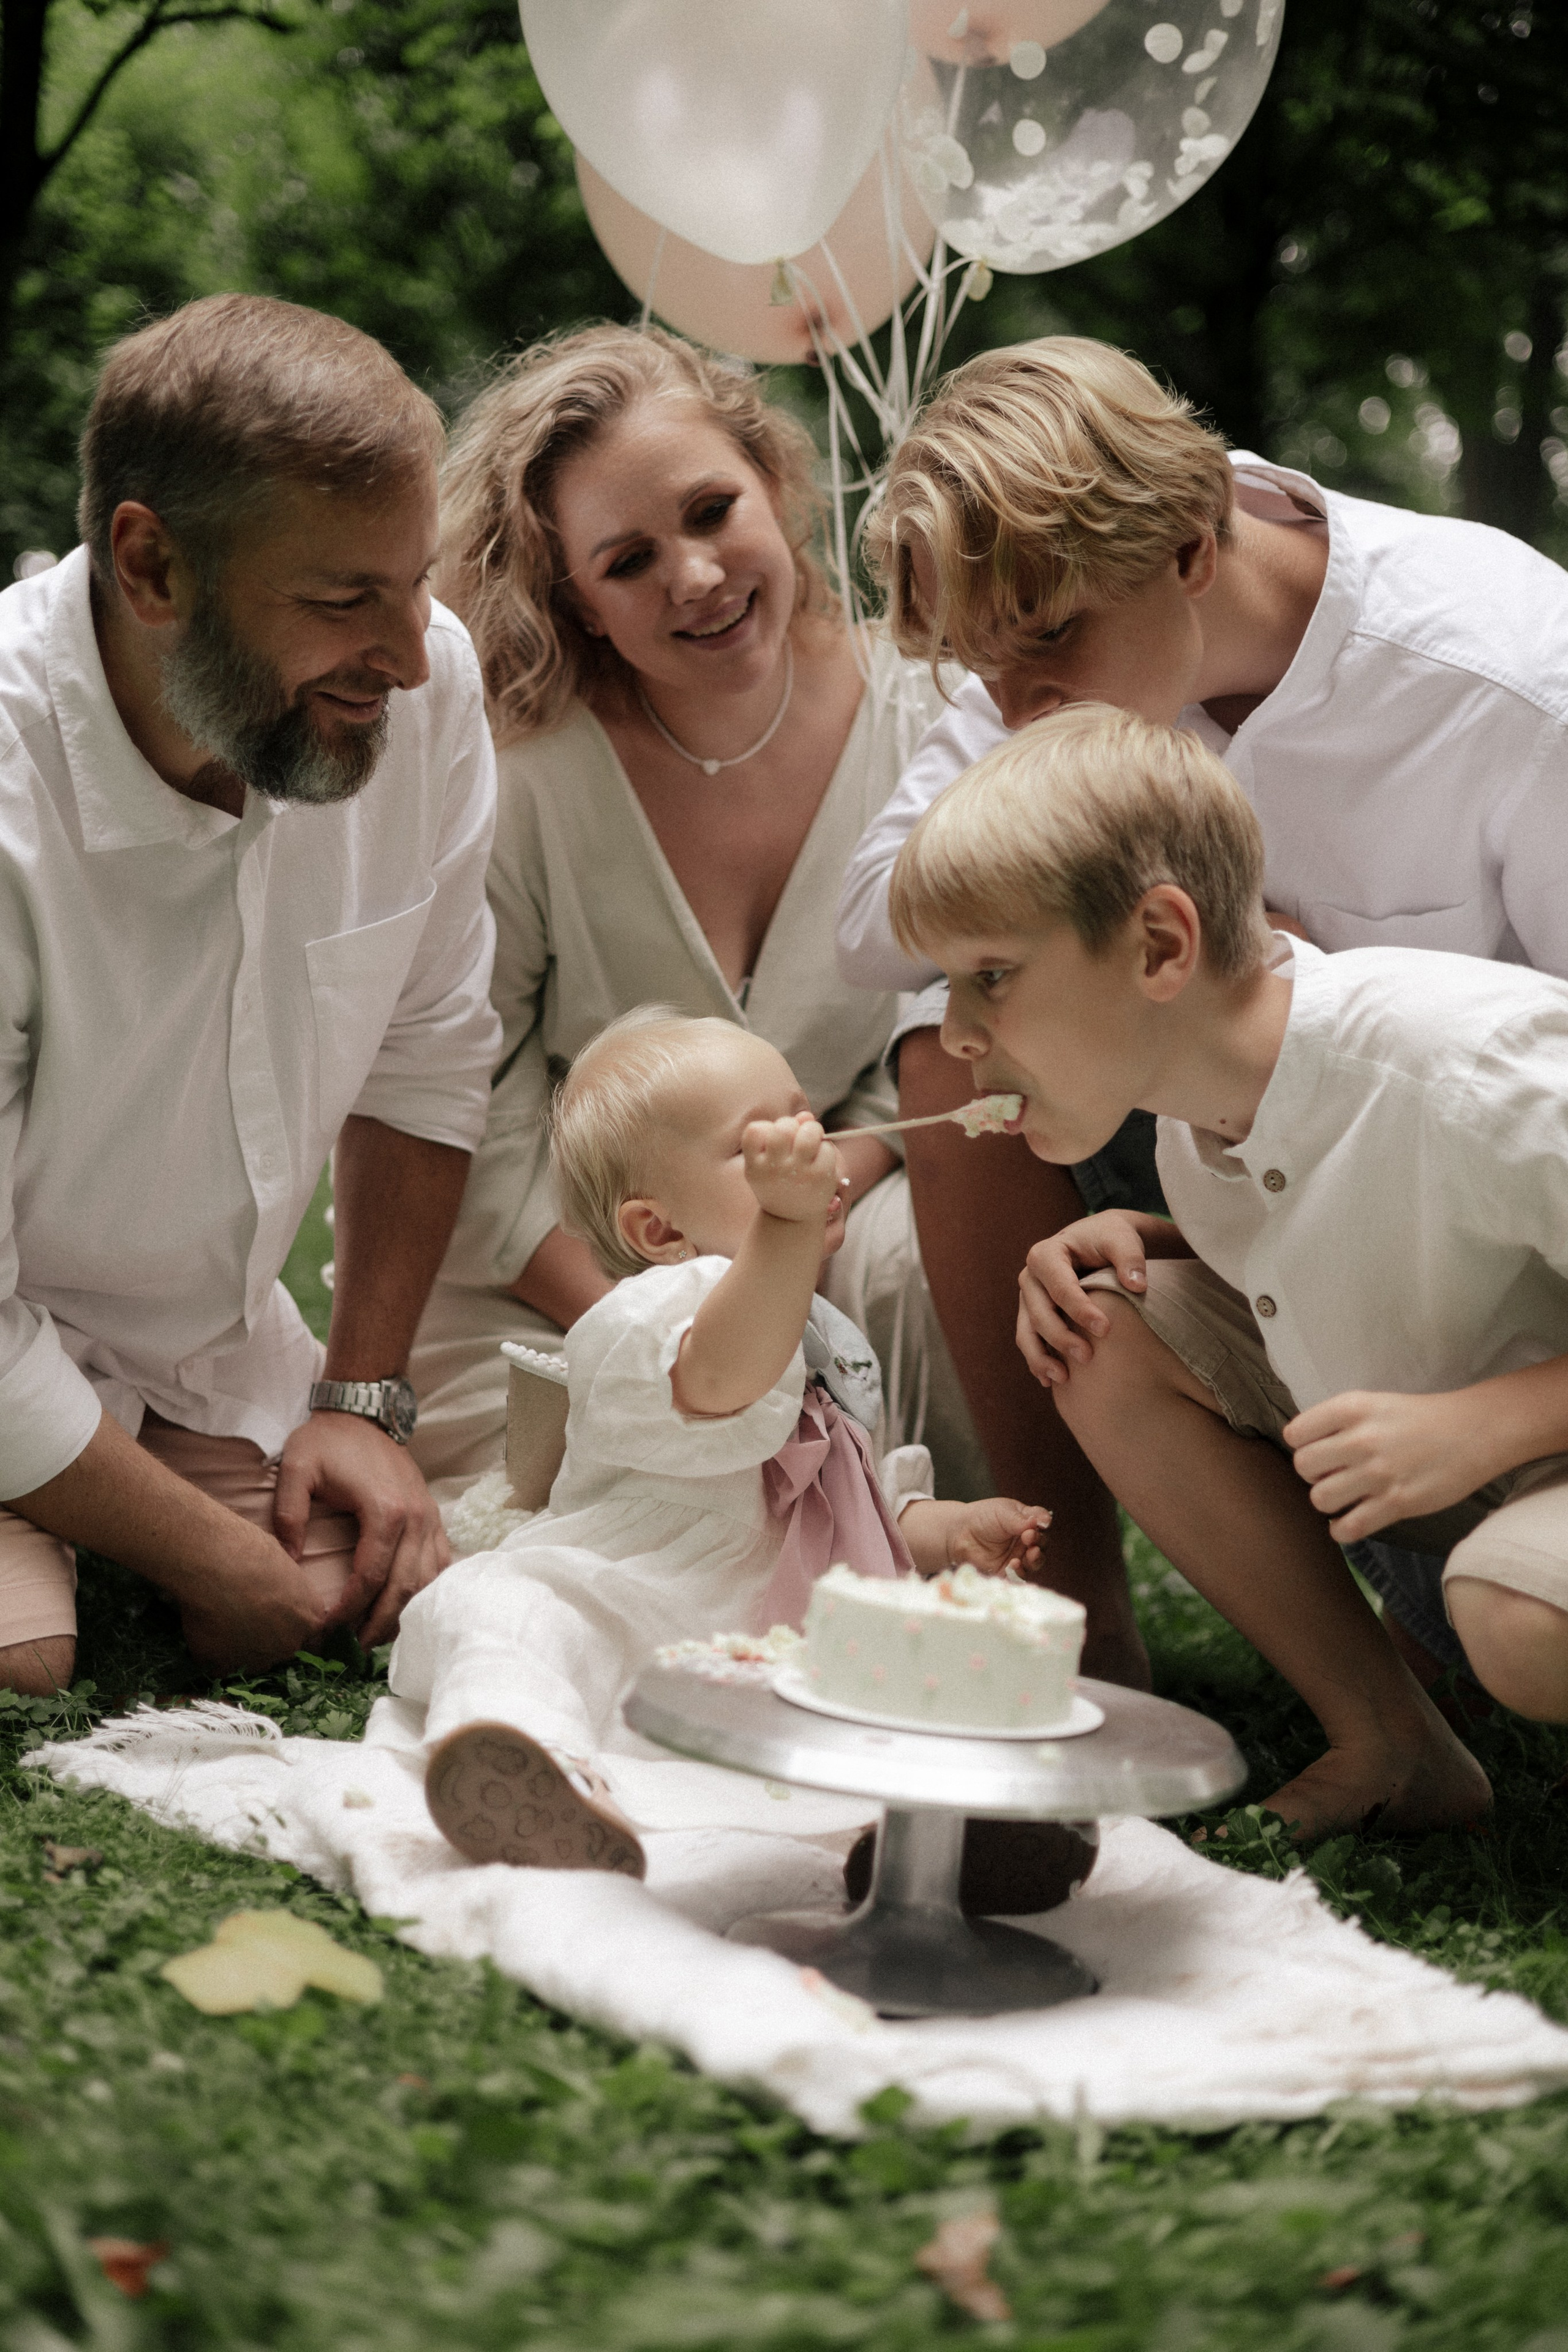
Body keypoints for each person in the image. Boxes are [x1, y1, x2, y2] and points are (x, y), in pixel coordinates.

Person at [837, 332, 1568, 1695]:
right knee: (953, 1034)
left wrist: (1313, 978)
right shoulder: (1053, 661)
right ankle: (1077, 1613)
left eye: (1046, 643)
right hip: (1338, 1232)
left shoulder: (1509, 686)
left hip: (1519, 1253)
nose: (1018, 710)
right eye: (983, 670)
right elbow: (869, 919)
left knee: (1504, 1630)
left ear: (1190, 540)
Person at [886, 700, 1568, 1838]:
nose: (956, 1035)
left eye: (991, 977)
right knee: (1103, 1325)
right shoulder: (1193, 1118)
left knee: (1520, 1618)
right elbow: (1360, 1221)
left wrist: (1485, 1427)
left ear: (1160, 945)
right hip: (1480, 1461)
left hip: (1526, 1456)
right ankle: (1394, 1745)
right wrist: (1155, 1239)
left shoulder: (1461, 1068)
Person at [0, 294, 501, 1694]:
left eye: (416, 583)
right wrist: (214, 1562)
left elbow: (424, 1057)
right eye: (345, 601)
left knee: (361, 1586)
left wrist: (360, 1404)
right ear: (150, 565)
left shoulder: (424, 685)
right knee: (28, 1657)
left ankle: (94, 1505)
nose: (407, 657)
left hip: (197, 1358)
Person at [407, 325, 985, 1509]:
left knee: (937, 1276)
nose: (697, 577)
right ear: (576, 603)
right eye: (628, 561)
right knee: (579, 1526)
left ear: (775, 484)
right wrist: (659, 1325)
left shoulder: (934, 720)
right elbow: (468, 1087)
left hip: (835, 1223)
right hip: (555, 1266)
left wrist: (813, 1196)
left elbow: (945, 1019)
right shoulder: (526, 775)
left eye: (714, 511)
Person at [396, 1010, 1052, 1885]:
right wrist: (785, 1230)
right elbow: (720, 1380)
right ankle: (525, 1759)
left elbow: (838, 1495)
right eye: (760, 1148)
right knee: (512, 1613)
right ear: (659, 1232)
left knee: (929, 1665)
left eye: (805, 1119)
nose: (808, 1149)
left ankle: (954, 1832)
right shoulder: (654, 1313)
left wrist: (945, 1531)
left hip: (777, 1636)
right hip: (633, 1593)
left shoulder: (827, 1336)